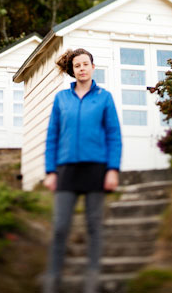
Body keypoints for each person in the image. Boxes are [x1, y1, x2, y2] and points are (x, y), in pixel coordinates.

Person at [42, 48, 122, 293]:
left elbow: (113, 136)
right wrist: (50, 170)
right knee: (60, 227)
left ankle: (91, 281)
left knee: (94, 226)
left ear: (93, 67)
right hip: (66, 169)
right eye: (77, 65)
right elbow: (52, 136)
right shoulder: (61, 99)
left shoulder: (104, 97)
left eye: (86, 64)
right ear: (73, 70)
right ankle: (52, 280)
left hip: (96, 169)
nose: (82, 68)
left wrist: (112, 169)